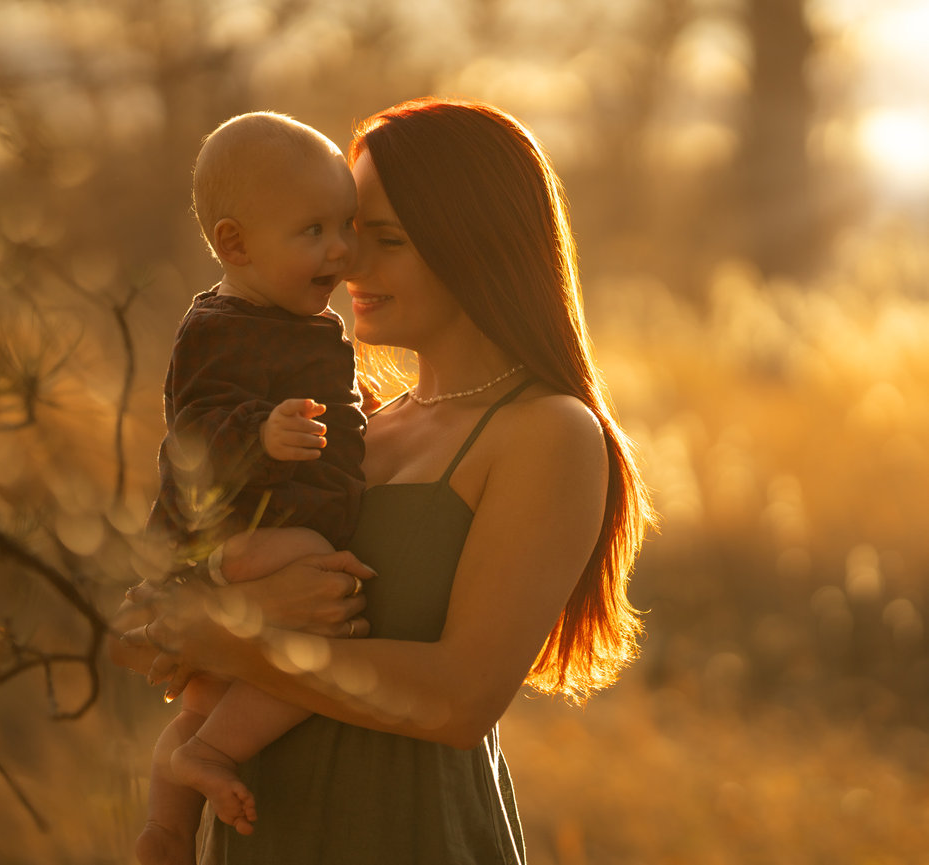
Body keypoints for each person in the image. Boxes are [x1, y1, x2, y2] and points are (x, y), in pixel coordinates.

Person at [120, 97, 654, 865]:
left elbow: (456, 699)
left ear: (474, 246)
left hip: (413, 835)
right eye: (336, 228)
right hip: (262, 834)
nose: (346, 261)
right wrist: (212, 600)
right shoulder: (344, 424)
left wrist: (235, 636)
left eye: (384, 239)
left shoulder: (548, 431)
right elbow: (146, 625)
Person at [125, 111, 369, 865]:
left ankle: (169, 822)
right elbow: (190, 432)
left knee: (206, 698)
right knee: (323, 631)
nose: (340, 250)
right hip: (243, 530)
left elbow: (339, 413)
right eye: (314, 231)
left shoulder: (295, 318)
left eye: (347, 225)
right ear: (236, 244)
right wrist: (259, 432)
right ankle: (207, 750)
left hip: (259, 530)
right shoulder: (221, 327)